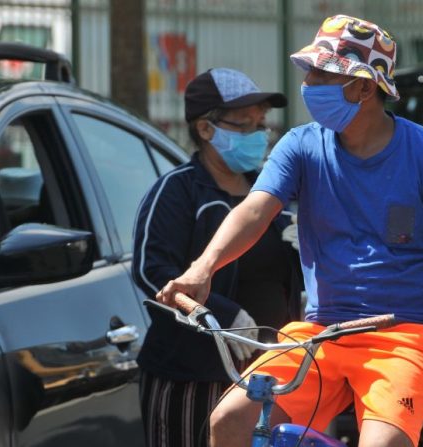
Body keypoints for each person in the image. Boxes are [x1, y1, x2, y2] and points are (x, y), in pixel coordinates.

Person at [157, 14, 423, 447]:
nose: (307, 84)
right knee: (230, 421)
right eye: (309, 71)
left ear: (365, 87)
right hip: (322, 333)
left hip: (408, 336)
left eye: (321, 73)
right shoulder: (301, 144)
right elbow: (255, 210)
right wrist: (203, 269)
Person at [132, 67, 302, 447]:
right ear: (206, 130)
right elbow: (152, 272)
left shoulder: (271, 194)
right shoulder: (177, 191)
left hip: (268, 370)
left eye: (262, 124)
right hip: (191, 375)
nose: (259, 135)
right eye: (244, 126)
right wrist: (224, 319)